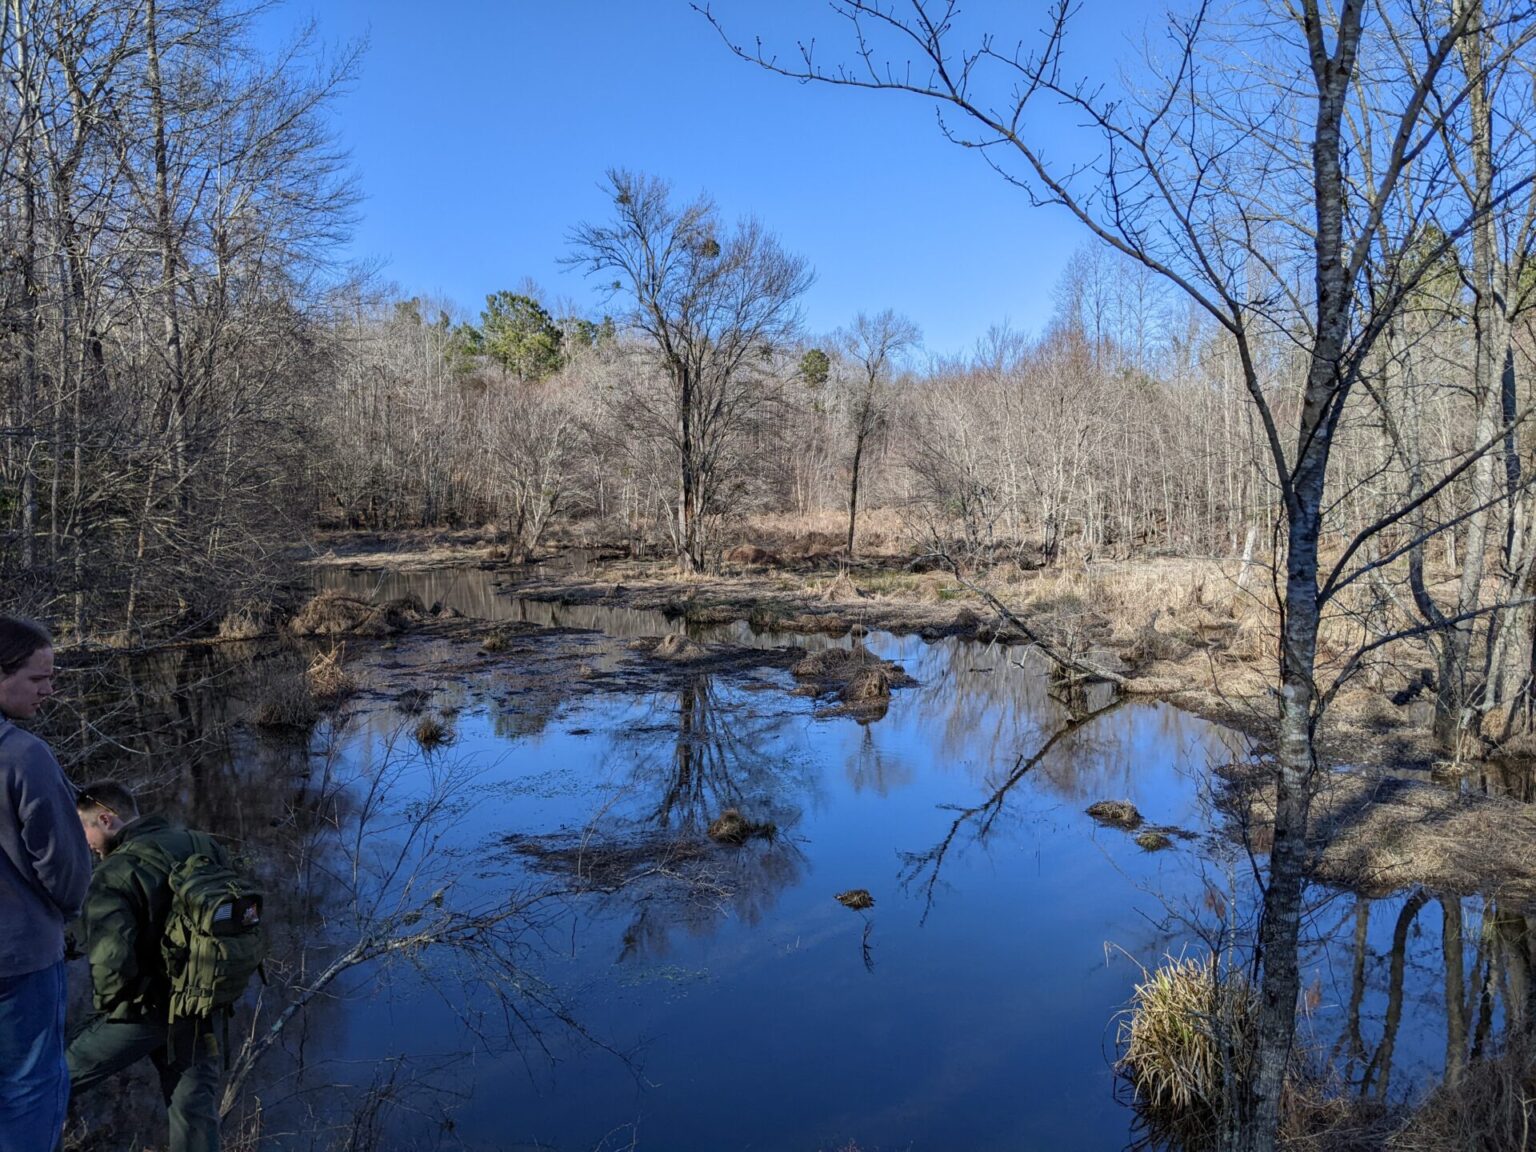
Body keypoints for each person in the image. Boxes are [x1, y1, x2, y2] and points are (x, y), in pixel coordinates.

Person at [67, 782, 223, 1152]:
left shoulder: (115, 873)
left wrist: (110, 1012)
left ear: (105, 819)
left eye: (84, 829)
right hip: (202, 1002)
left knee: (45, 1083)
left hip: (145, 1009)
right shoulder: (202, 844)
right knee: (194, 1114)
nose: (85, 842)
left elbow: (111, 965)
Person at [0, 615, 92, 1152]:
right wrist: (67, 912)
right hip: (21, 961)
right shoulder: (23, 756)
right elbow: (67, 869)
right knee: (28, 1088)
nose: (49, 690)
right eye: (38, 679)